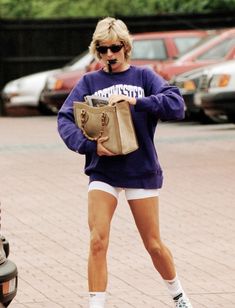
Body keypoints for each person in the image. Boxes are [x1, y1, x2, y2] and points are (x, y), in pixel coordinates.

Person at [57, 17, 193, 308]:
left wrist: (137, 102)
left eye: (115, 47)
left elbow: (177, 105)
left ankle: (179, 296)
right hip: (103, 171)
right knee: (97, 239)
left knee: (154, 245)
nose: (109, 54)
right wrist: (89, 146)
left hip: (140, 170)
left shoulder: (144, 77)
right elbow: (65, 118)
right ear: (97, 50)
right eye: (103, 49)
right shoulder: (89, 82)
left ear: (125, 47)